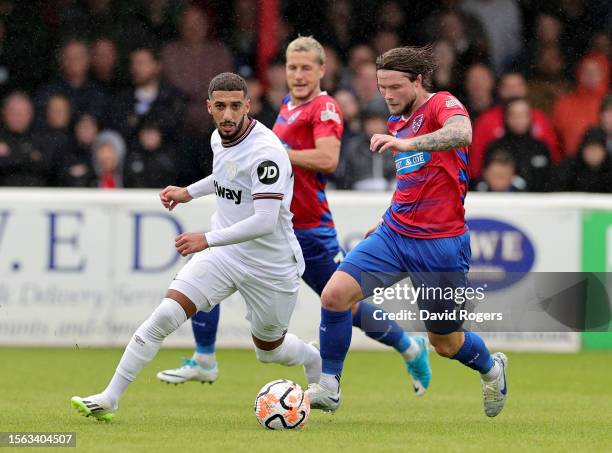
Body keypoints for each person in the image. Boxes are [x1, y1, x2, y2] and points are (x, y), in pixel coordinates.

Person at [157, 37, 429, 396]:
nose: (298, 75)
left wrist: (280, 152)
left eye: (305, 68)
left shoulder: (325, 109)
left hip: (309, 229)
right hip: (268, 225)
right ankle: (205, 358)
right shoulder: (286, 106)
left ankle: (408, 346)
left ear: (321, 69)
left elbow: (328, 159)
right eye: (292, 67)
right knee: (206, 271)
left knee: (344, 303)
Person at [70, 72, 321, 421]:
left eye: (236, 106)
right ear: (209, 108)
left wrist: (206, 238)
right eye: (221, 106)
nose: (229, 114)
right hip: (225, 254)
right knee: (164, 316)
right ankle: (109, 398)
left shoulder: (267, 152)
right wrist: (188, 192)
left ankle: (312, 358)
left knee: (270, 350)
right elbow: (227, 177)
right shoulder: (220, 138)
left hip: (270, 263)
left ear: (248, 105)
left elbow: (265, 220)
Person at [305, 46, 508, 418]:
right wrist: (384, 220)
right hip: (395, 235)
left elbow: (462, 133)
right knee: (334, 295)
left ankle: (492, 370)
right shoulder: (397, 119)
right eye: (382, 88)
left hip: (440, 246)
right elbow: (413, 183)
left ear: (417, 81)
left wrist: (409, 142)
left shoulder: (442, 105)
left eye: (395, 87)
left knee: (445, 343)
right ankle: (329, 386)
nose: (388, 95)